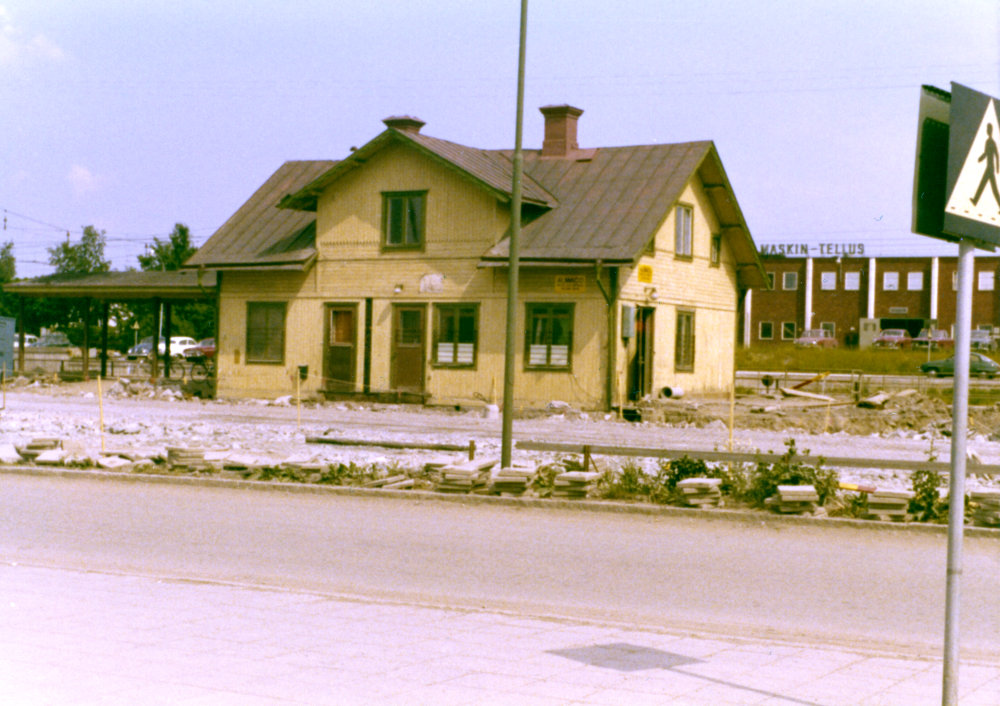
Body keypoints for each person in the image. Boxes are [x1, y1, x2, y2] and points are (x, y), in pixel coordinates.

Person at [971, 122, 1000, 212]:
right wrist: (981, 158)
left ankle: (975, 200)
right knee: (985, 185)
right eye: (987, 129)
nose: (987, 131)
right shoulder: (989, 141)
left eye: (988, 129)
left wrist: (997, 168)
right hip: (989, 167)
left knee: (993, 189)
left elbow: (995, 155)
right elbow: (988, 153)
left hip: (990, 168)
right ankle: (975, 200)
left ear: (990, 131)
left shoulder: (990, 142)